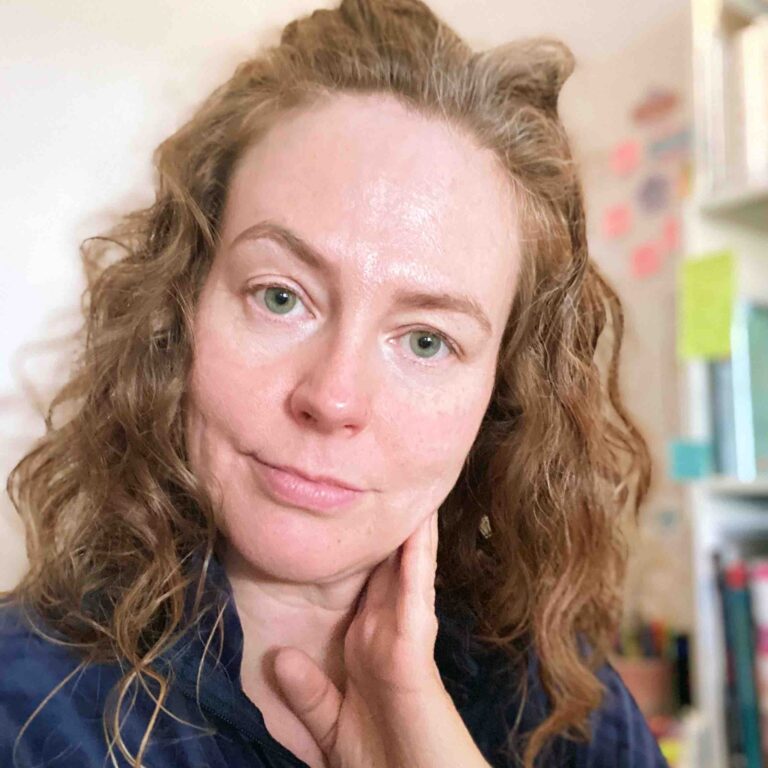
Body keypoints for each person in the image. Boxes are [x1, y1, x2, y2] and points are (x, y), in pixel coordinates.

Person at [0, 0, 668, 766]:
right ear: (179, 309)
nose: (333, 397)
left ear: (503, 397)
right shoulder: (22, 711)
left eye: (426, 341)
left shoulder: (569, 708)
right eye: (280, 297)